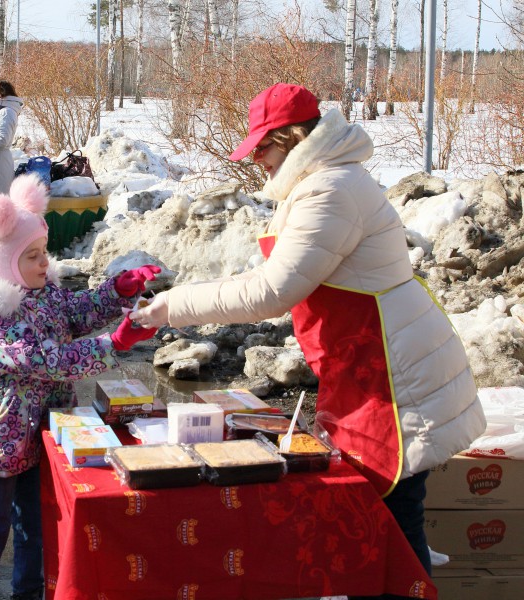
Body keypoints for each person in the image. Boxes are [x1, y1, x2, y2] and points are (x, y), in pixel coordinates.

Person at [131, 83, 486, 588]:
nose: (256, 159)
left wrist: (173, 307)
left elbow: (273, 290)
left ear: (293, 138)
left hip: (392, 375)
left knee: (389, 518)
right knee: (379, 517)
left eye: (262, 147)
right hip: (369, 363)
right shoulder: (320, 181)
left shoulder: (331, 190)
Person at [0, 174, 159, 600]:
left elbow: (76, 311)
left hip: (43, 433)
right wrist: (114, 344)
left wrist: (117, 291)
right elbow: (48, 360)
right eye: (33, 255)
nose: (44, 262)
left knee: (34, 527)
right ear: (3, 263)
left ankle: (28, 593)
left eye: (44, 251)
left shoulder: (44, 293)